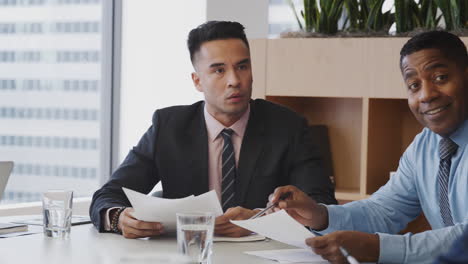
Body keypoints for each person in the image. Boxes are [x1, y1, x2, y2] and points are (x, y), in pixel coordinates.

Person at [90, 21, 337, 239]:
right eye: (219, 70)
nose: (234, 80)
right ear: (197, 81)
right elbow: (109, 195)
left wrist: (261, 222)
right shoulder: (169, 126)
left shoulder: (288, 127)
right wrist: (118, 218)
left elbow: (322, 206)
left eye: (242, 67)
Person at [269, 30, 468, 264]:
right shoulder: (424, 146)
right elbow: (382, 210)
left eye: (440, 78)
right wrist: (319, 216)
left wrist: (377, 247)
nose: (426, 95)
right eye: (414, 85)